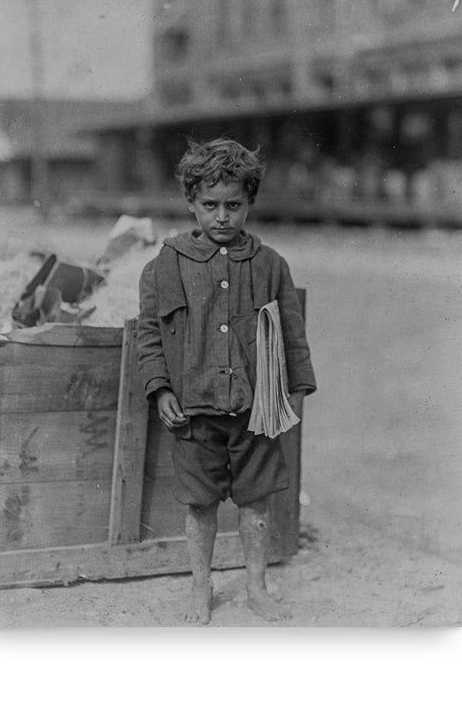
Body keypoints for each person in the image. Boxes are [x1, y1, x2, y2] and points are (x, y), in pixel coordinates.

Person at [137, 138, 317, 624]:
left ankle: (257, 586)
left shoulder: (270, 265)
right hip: (193, 411)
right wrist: (160, 388)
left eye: (233, 206)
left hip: (255, 409)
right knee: (199, 504)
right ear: (191, 202)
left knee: (256, 501)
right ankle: (201, 588)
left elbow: (294, 335)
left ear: (249, 203)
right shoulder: (164, 265)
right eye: (210, 205)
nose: (221, 217)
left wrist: (293, 393)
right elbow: (150, 335)